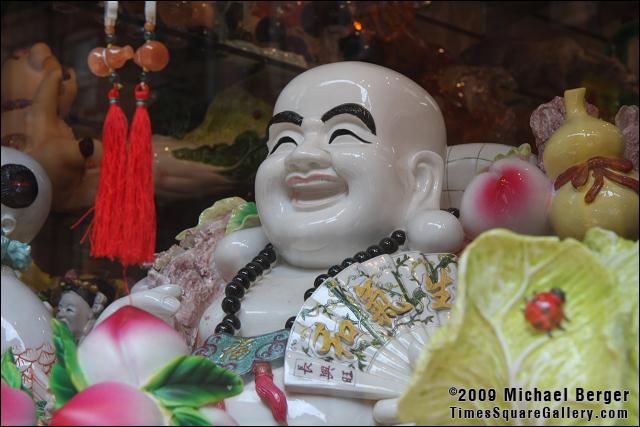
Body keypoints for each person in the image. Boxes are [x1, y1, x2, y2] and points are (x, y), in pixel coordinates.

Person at [197, 62, 463, 425]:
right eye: (285, 141)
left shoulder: (421, 292)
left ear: (421, 182)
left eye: (342, 135)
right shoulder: (244, 271)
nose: (302, 156)